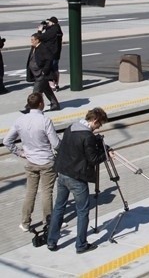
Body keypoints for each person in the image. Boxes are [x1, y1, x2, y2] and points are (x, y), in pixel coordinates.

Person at [47, 107, 109, 254]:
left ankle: (51, 241)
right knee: (82, 211)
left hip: (62, 173)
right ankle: (81, 244)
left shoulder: (71, 128)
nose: (97, 128)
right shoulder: (87, 136)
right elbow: (93, 159)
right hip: (77, 178)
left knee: (58, 208)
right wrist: (106, 155)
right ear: (94, 120)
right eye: (98, 125)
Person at [3, 92, 60, 232]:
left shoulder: (20, 121)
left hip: (30, 161)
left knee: (30, 192)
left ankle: (25, 222)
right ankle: (48, 221)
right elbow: (56, 144)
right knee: (47, 192)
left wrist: (19, 152)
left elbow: (6, 141)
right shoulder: (45, 121)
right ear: (41, 104)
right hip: (46, 161)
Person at [25, 32, 60, 112]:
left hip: (42, 74)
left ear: (37, 40)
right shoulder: (34, 47)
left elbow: (49, 59)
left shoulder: (43, 47)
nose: (31, 41)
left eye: (33, 40)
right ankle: (55, 104)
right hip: (36, 73)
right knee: (47, 89)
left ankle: (29, 107)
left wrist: (44, 71)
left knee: (36, 92)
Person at [39, 17, 63, 92]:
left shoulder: (52, 31)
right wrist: (46, 27)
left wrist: (40, 31)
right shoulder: (58, 29)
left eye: (49, 22)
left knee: (50, 69)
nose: (47, 23)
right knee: (55, 68)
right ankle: (56, 84)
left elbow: (41, 37)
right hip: (57, 53)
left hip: (50, 53)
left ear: (52, 23)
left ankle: (52, 86)